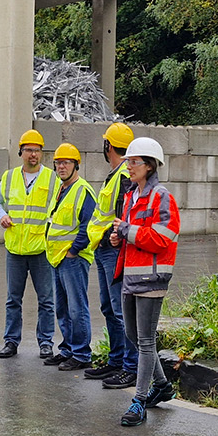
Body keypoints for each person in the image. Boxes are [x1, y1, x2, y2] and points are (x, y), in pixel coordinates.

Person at [111, 136, 179, 427]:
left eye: (134, 162)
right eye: (128, 161)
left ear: (150, 166)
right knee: (132, 336)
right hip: (131, 277)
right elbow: (133, 235)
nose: (129, 166)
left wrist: (126, 231)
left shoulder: (161, 196)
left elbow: (164, 238)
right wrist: (118, 239)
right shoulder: (131, 195)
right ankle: (162, 386)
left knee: (146, 340)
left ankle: (138, 400)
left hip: (152, 278)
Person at [0, 129, 59, 359]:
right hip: (15, 249)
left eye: (37, 151)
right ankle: (11, 341)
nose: (33, 155)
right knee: (13, 300)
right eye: (29, 150)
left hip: (41, 249)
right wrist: (1, 216)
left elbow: (59, 208)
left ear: (42, 154)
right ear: (21, 152)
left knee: (47, 300)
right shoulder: (9, 177)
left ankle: (46, 342)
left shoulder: (52, 178)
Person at [85, 123, 139, 390]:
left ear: (108, 146)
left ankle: (130, 367)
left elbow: (122, 217)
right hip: (103, 249)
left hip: (113, 251)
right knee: (109, 309)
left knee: (120, 311)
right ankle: (117, 360)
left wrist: (109, 238)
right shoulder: (116, 174)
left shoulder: (123, 177)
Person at [45, 143, 99, 371]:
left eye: (66, 162)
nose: (61, 166)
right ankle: (68, 349)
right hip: (58, 258)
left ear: (76, 164)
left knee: (77, 308)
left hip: (73, 259)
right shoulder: (61, 188)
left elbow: (89, 225)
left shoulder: (82, 190)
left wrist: (73, 250)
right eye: (58, 162)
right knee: (63, 308)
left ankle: (81, 354)